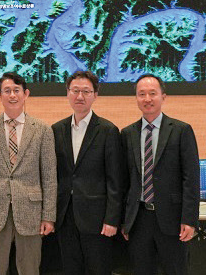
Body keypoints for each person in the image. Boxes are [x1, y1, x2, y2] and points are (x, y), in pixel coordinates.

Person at [0, 72, 56, 275]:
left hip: (31, 211)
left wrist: (48, 215)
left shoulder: (43, 130)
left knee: (29, 269)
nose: (12, 95)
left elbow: (49, 176)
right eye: (7, 91)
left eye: (16, 90)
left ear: (26, 94)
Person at [121, 74, 200, 275]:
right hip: (138, 220)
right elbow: (124, 181)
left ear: (163, 97)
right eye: (142, 94)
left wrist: (190, 219)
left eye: (152, 93)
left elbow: (191, 179)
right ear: (136, 98)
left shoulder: (181, 130)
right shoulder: (128, 133)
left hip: (173, 219)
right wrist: (125, 221)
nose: (147, 99)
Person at [51, 70, 124, 275]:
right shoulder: (56, 130)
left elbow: (116, 180)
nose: (80, 96)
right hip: (65, 217)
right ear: (68, 93)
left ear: (95, 95)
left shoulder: (108, 130)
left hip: (97, 220)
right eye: (75, 91)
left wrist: (112, 219)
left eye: (86, 91)